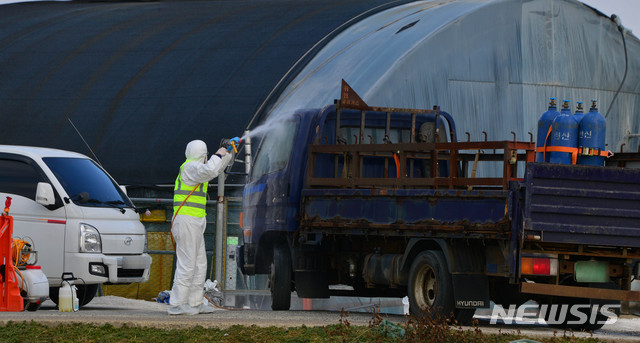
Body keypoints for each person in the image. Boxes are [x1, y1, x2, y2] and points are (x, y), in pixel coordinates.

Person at [168, 139, 234, 315]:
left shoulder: (197, 169)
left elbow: (216, 169)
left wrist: (227, 153)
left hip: (195, 221)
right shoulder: (190, 167)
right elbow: (211, 169)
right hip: (187, 220)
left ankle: (194, 303)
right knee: (188, 264)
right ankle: (177, 304)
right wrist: (219, 153)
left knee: (199, 264)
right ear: (203, 155)